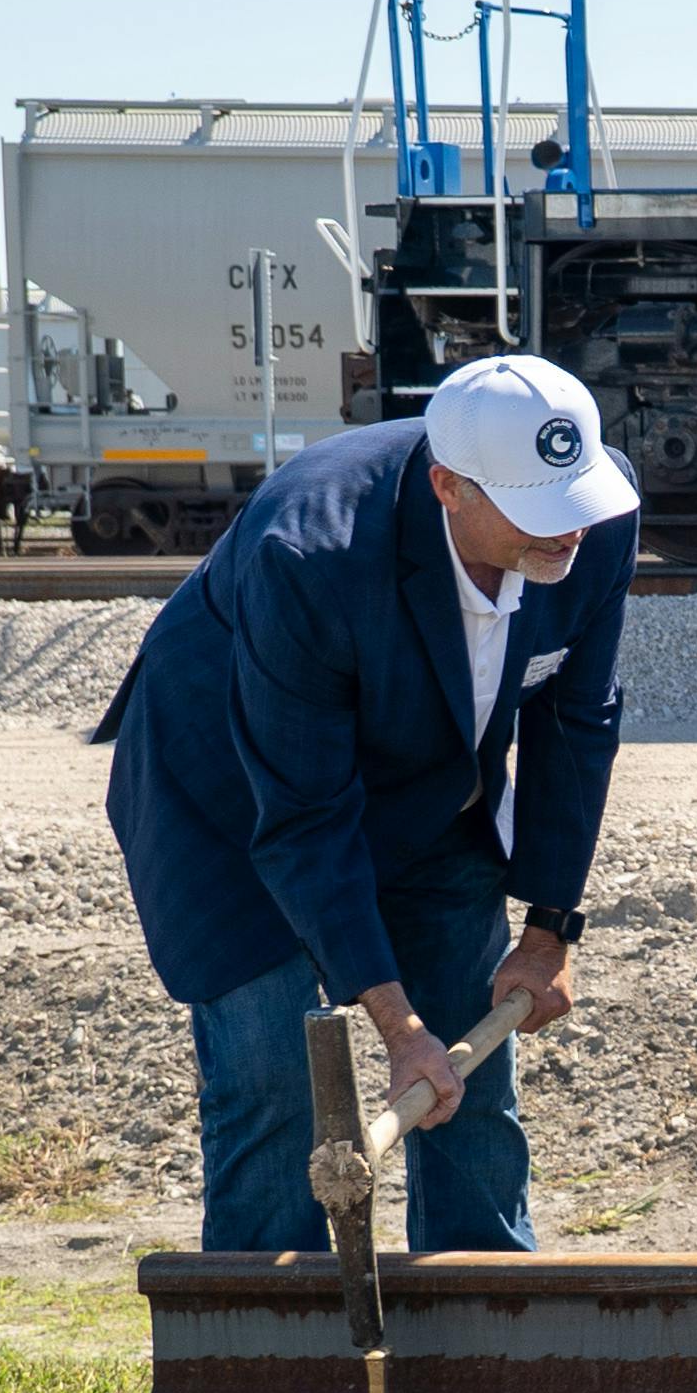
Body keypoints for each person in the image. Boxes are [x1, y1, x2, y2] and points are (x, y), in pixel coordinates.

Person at [92, 353, 639, 1253]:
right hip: (232, 803)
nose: (570, 529)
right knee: (275, 1082)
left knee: (469, 1063)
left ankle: (481, 1317)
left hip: (431, 783)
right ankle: (273, 1332)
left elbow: (578, 722)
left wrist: (548, 932)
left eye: (575, 498)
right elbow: (304, 818)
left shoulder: (594, 520)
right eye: (540, 509)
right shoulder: (310, 554)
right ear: (448, 488)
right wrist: (397, 1025)